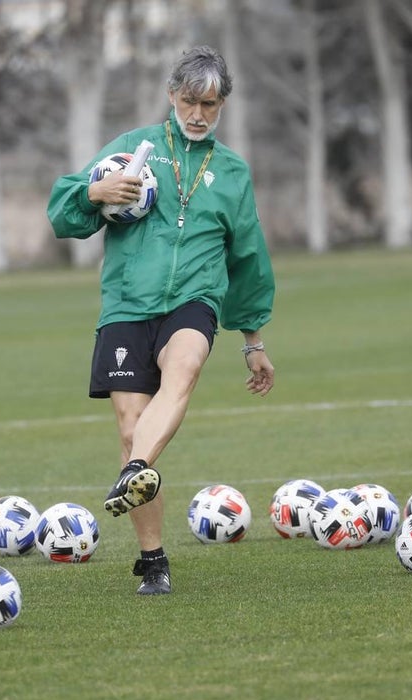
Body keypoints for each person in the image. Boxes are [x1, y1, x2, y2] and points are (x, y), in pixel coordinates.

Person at [47, 46, 275, 595]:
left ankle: (135, 470)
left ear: (222, 105)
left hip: (194, 302)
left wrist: (252, 340)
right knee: (132, 430)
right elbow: (62, 212)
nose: (199, 114)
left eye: (211, 105)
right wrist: (95, 193)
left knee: (186, 368)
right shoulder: (131, 149)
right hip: (126, 304)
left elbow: (247, 259)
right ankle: (153, 558)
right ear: (172, 94)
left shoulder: (233, 172)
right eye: (191, 101)